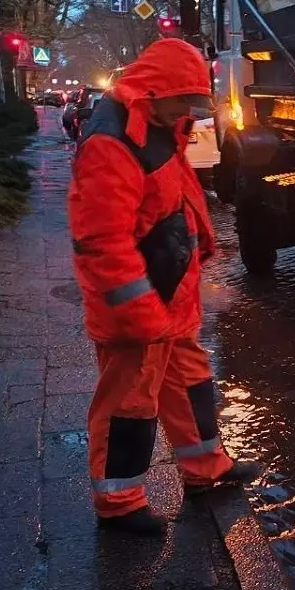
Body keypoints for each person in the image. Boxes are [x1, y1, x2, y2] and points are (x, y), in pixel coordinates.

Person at [68, 38, 257, 536]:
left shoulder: (152, 127)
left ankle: (205, 469)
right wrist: (139, 311)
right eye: (184, 101)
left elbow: (179, 198)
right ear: (154, 92)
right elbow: (102, 239)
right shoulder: (113, 144)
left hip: (166, 294)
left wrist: (201, 248)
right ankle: (120, 503)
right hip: (138, 306)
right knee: (128, 402)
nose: (190, 112)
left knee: (189, 383)